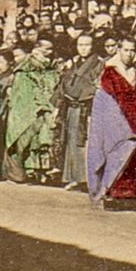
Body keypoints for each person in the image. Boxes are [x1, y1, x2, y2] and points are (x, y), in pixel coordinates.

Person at [86, 37, 136, 203]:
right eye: (126, 50)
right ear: (119, 50)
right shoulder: (110, 73)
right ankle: (113, 192)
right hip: (118, 120)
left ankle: (135, 193)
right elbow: (106, 100)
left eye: (133, 50)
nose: (130, 54)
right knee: (117, 152)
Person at [4, 37, 61, 183]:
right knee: (21, 136)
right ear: (37, 48)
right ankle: (19, 173)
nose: (49, 52)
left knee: (39, 138)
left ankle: (38, 172)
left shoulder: (52, 65)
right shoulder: (26, 67)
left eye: (51, 49)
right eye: (45, 48)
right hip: (26, 106)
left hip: (43, 106)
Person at [58, 33, 103, 191]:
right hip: (71, 105)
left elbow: (96, 84)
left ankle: (87, 178)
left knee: (84, 142)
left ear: (93, 46)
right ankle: (73, 177)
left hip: (87, 107)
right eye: (80, 45)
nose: (83, 49)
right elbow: (65, 82)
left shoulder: (99, 64)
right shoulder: (73, 62)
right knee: (71, 141)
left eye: (87, 45)